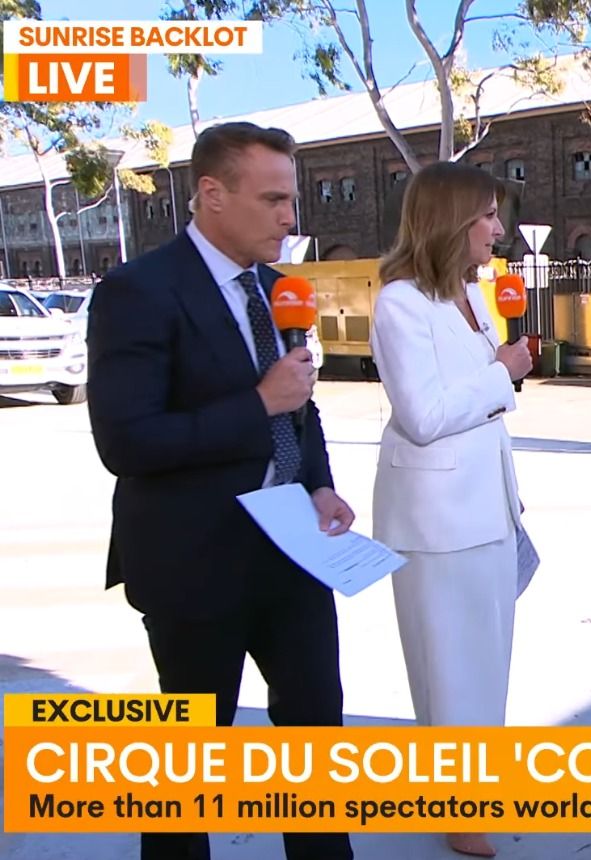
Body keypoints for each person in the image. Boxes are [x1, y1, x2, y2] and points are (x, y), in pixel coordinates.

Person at [86, 122, 355, 860]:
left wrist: (318, 483)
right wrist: (258, 405)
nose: (289, 218)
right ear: (211, 194)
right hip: (192, 560)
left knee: (315, 738)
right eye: (272, 200)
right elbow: (126, 442)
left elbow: (300, 403)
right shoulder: (138, 291)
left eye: (291, 199)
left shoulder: (278, 291)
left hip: (292, 552)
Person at [370, 161, 532, 859]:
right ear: (451, 220)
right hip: (435, 518)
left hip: (488, 506)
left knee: (487, 656)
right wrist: (502, 373)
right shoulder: (399, 303)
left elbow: (479, 404)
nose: (498, 229)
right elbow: (424, 414)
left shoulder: (471, 292)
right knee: (449, 662)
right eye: (487, 215)